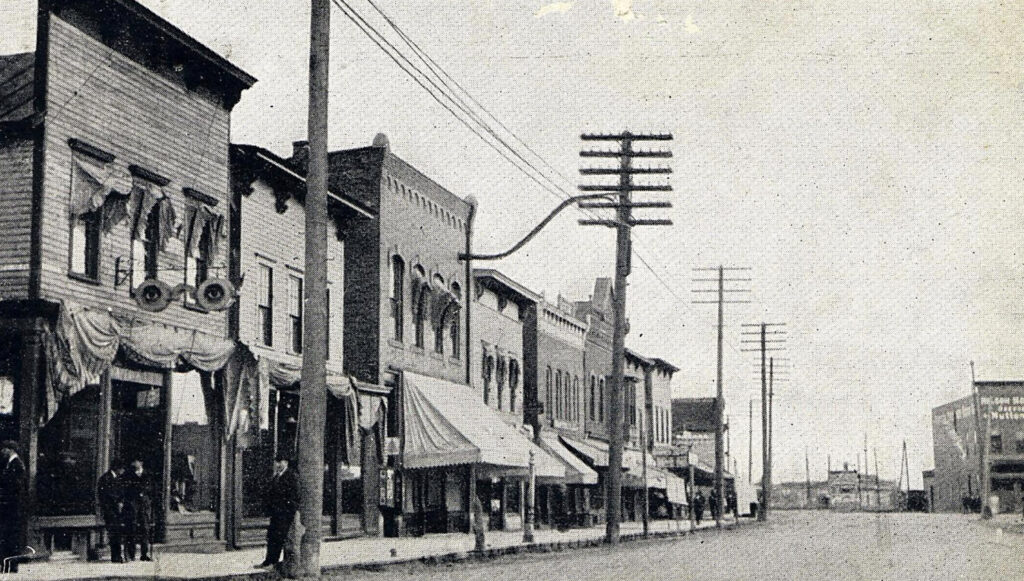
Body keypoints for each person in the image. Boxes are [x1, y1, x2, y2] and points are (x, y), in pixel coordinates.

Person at [257, 456, 298, 569]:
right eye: (276, 462)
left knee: (279, 538)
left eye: (280, 462)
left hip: (284, 514)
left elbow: (295, 495)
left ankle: (274, 563)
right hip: (275, 513)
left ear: (286, 462)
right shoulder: (277, 476)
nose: (278, 464)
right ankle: (268, 561)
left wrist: (288, 510)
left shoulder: (291, 476)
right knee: (272, 537)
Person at [0, 441, 27, 573]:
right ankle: (7, 565)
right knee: (7, 537)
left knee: (11, 537)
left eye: (4, 449)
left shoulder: (17, 465)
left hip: (12, 508)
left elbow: (16, 487)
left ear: (10, 450)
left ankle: (11, 566)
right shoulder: (10, 464)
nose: (2, 451)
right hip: (9, 508)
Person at [122, 460, 153, 562]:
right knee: (132, 527)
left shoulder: (148, 474)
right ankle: (131, 554)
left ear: (141, 463)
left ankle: (144, 553)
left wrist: (144, 494)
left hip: (144, 505)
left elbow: (151, 488)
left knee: (145, 528)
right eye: (133, 462)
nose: (134, 464)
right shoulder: (129, 474)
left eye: (136, 462)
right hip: (133, 504)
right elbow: (126, 488)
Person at [97, 460, 126, 563]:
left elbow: (122, 492)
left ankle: (117, 555)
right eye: (122, 469)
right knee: (114, 533)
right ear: (117, 468)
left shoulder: (118, 478)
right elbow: (105, 494)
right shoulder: (105, 478)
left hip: (118, 510)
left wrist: (121, 502)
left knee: (117, 533)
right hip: (109, 510)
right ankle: (115, 556)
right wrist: (116, 502)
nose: (123, 471)